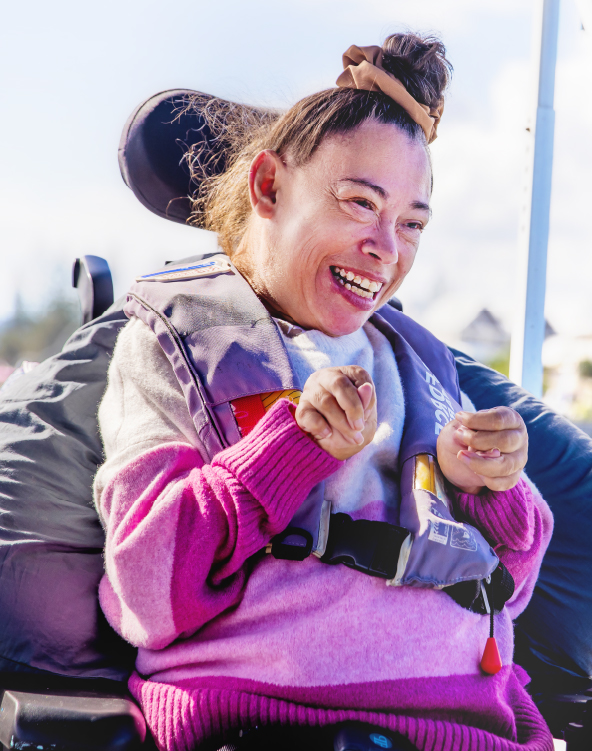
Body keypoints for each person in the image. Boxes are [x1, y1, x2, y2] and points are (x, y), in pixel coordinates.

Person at [93, 33, 554, 751]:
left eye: (411, 224)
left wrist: (491, 489)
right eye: (359, 202)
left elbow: (511, 588)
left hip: (475, 728)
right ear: (269, 186)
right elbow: (147, 593)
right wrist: (290, 452)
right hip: (273, 728)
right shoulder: (176, 349)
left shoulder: (420, 364)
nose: (387, 248)